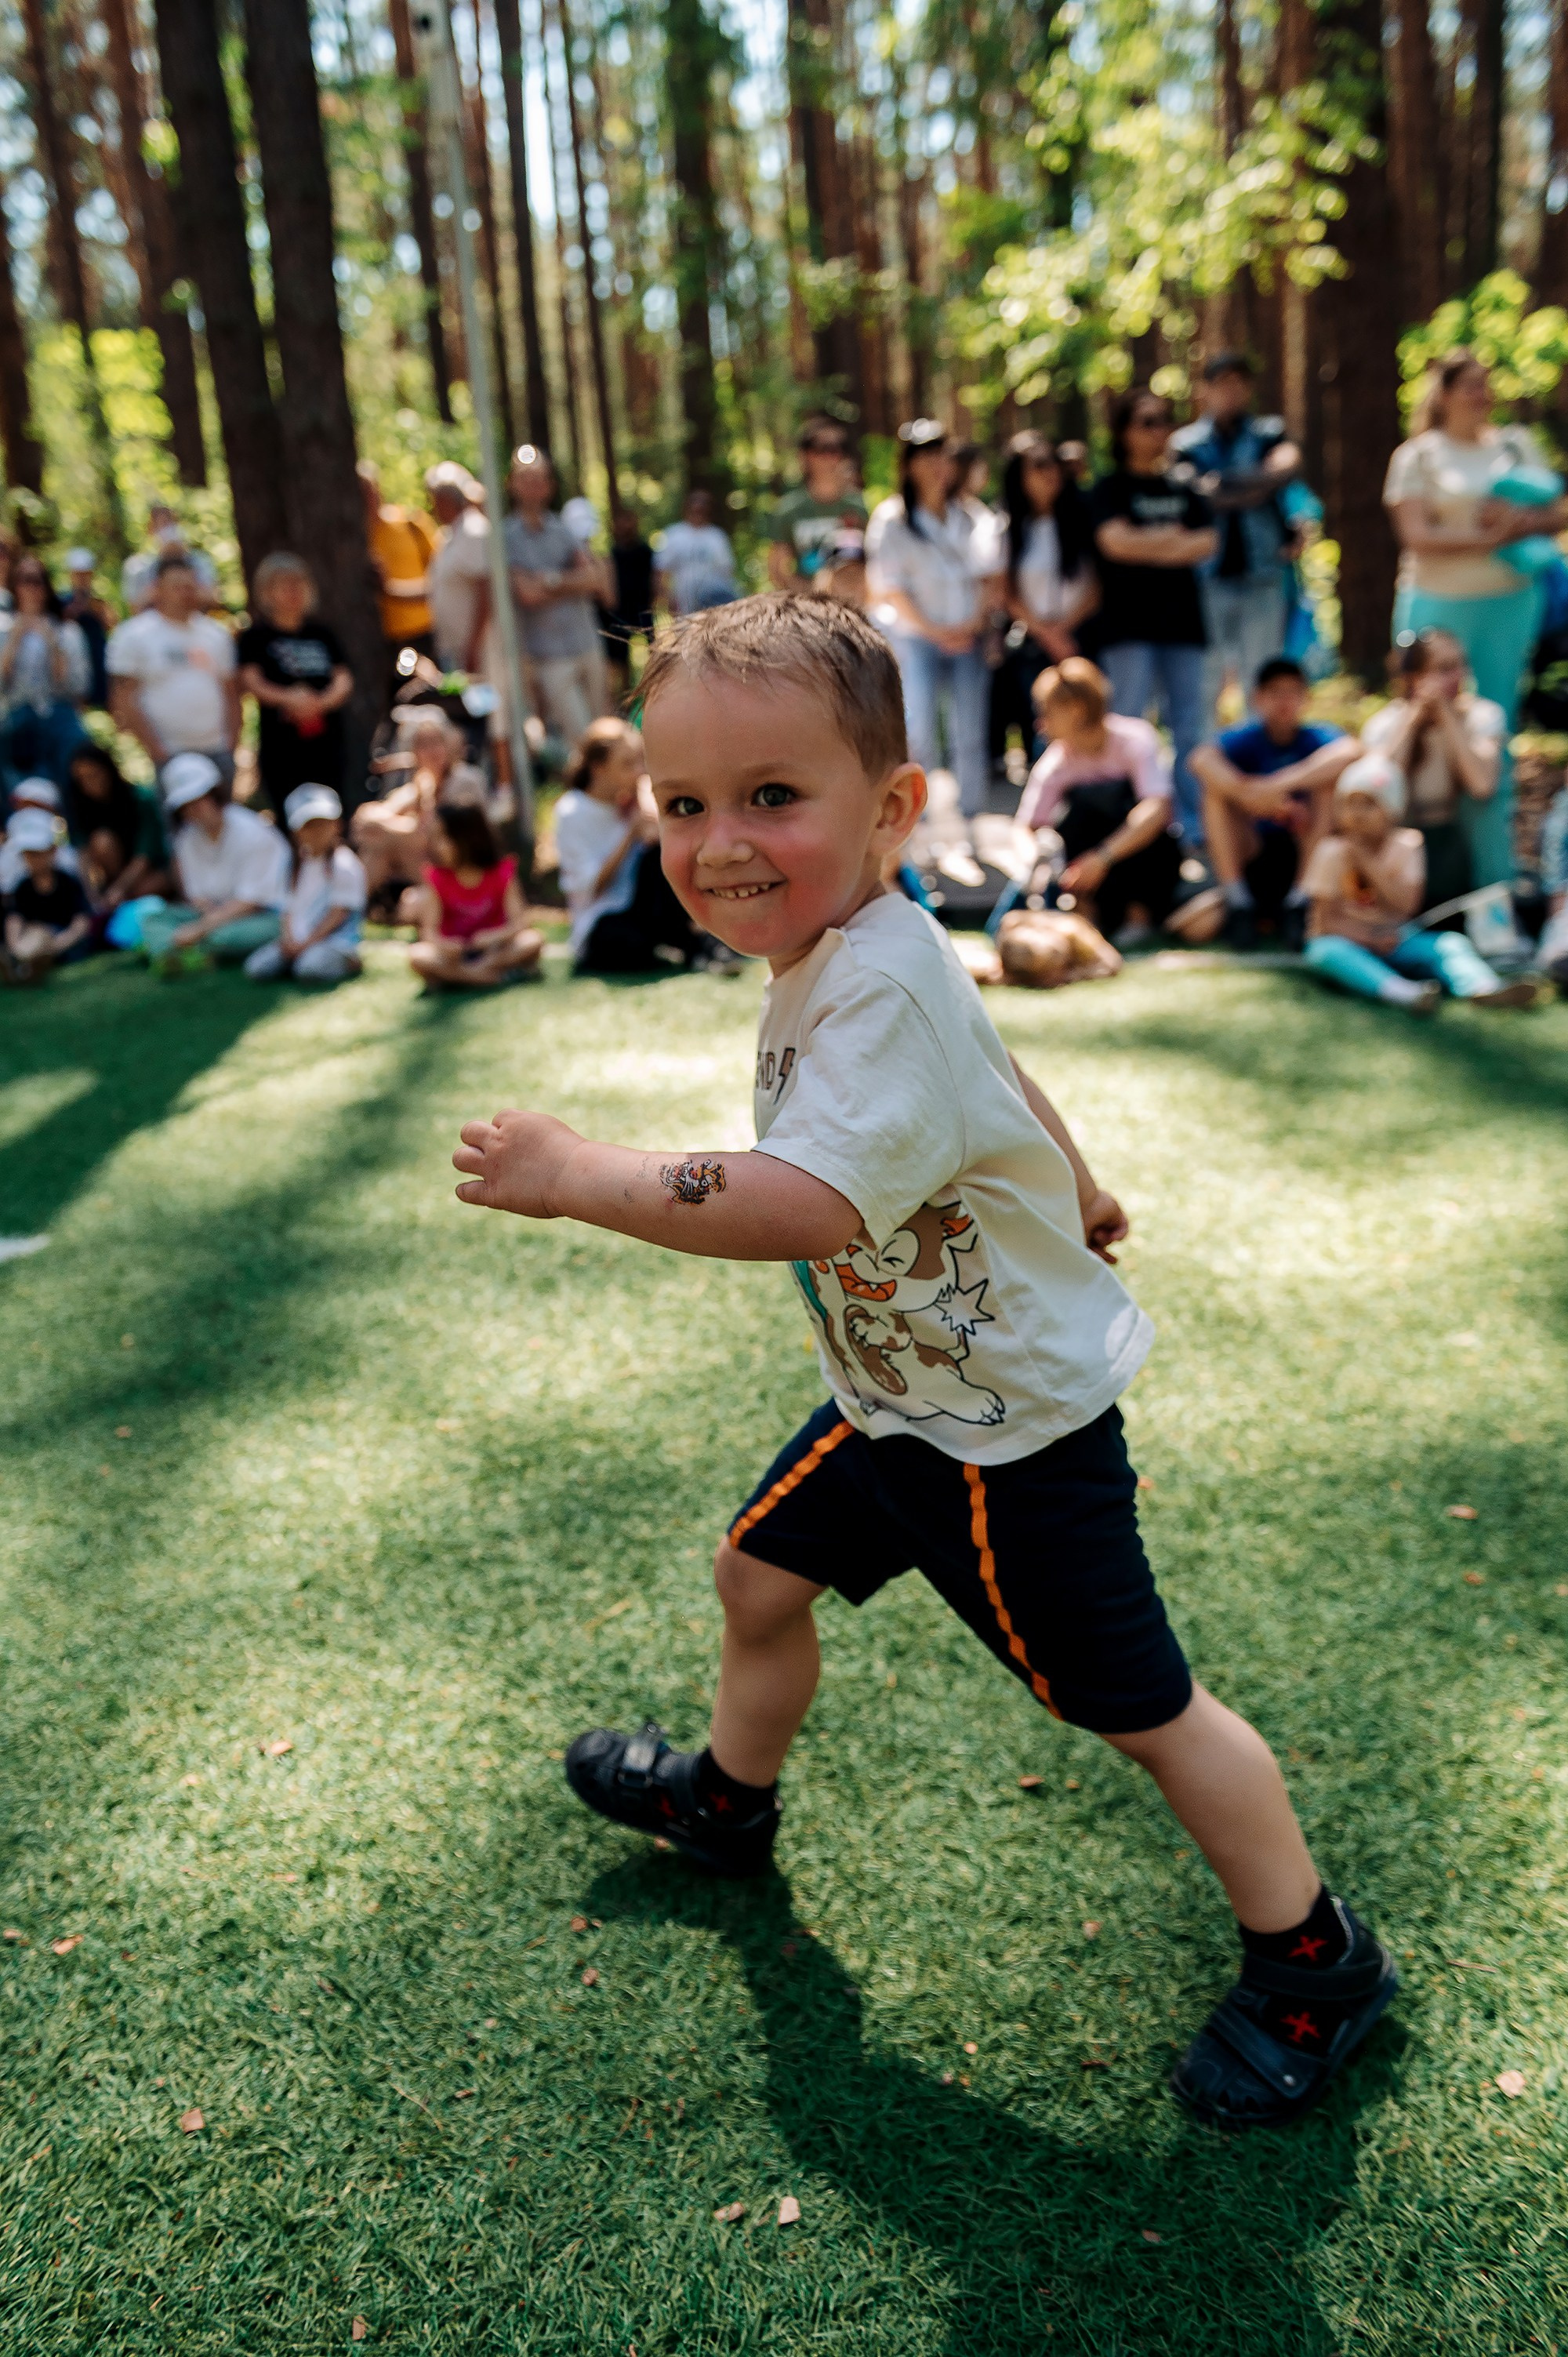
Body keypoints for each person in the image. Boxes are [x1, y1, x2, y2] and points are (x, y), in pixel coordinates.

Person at [451, 591, 1399, 2135]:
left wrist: (582, 1176)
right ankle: (726, 1803)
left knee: (1146, 1713)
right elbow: (995, 1069)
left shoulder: (874, 977)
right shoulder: (863, 943)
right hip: (902, 1400)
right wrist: (1075, 1185)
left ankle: (1316, 1961)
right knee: (759, 1580)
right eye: (683, 804)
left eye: (772, 796)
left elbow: (805, 1205)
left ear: (891, 807)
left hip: (1004, 1443)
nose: (720, 841)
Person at [1385, 349, 1568, 887]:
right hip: (1437, 607)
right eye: (1469, 384)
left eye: (1486, 383)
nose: (1481, 394)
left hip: (1509, 605)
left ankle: (1494, 881)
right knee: (1424, 730)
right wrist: (1490, 537)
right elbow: (1416, 536)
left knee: (1491, 737)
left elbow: (1557, 512)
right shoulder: (1418, 456)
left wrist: (1524, 522)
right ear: (1443, 392)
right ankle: (1411, 880)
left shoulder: (1516, 444)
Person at [1301, 753, 1539, 1012]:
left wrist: (1368, 864)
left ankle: (1482, 986)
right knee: (1323, 951)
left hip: (1397, 939)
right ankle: (1402, 992)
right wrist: (1368, 939)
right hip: (1349, 942)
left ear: (1392, 810)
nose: (1357, 814)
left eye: (1369, 805)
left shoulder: (1408, 844)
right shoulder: (1330, 851)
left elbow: (1406, 905)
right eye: (1350, 804)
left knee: (1450, 943)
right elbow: (1322, 923)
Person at [1088, 389, 1217, 842]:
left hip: (1183, 626)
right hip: (1128, 628)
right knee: (1128, 724)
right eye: (1147, 422)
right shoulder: (1109, 488)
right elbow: (1112, 544)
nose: (1160, 430)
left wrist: (1144, 543)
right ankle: (1128, 823)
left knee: (1191, 727)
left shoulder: (1187, 483)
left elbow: (1206, 544)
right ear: (1123, 432)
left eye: (1165, 420)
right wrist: (1172, 542)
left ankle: (1194, 826)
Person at [866, 419, 1002, 837]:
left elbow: (991, 578)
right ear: (907, 465)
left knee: (970, 731)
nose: (936, 464)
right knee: (918, 729)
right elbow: (889, 589)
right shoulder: (891, 519)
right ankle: (917, 825)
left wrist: (974, 626)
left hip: (969, 638)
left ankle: (973, 822)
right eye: (924, 455)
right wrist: (937, 632)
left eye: (941, 453)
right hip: (914, 639)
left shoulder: (972, 516)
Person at [1187, 656, 1359, 950]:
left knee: (1326, 788)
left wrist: (1278, 785)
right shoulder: (1246, 738)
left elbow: (1352, 751)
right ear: (1258, 698)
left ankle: (1300, 902)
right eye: (1275, 692)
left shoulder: (1316, 737)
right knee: (1216, 795)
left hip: (1303, 850)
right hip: (1254, 850)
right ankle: (1238, 901)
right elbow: (1200, 759)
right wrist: (1248, 795)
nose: (1285, 701)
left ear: (1305, 697)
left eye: (1293, 692)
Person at [1170, 353, 1300, 735]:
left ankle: (1259, 761)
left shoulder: (1269, 433)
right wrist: (1254, 485)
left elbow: (1283, 470)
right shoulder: (1186, 442)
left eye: (1238, 382)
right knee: (1206, 678)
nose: (1231, 391)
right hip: (1206, 577)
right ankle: (1211, 775)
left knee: (1261, 678)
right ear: (1205, 390)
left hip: (1262, 573)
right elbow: (1192, 492)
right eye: (1222, 383)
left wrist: (1221, 486)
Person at [1017, 658, 1186, 945]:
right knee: (1075, 819)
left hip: (1138, 863)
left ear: (1077, 710)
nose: (1040, 722)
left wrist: (1103, 858)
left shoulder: (1136, 738)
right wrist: (1037, 860)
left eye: (1047, 712)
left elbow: (1157, 809)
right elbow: (1026, 826)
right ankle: (1087, 915)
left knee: (1140, 823)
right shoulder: (1056, 761)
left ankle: (1139, 916)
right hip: (1086, 876)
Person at [554, 714, 719, 975]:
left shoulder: (631, 801)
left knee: (659, 855)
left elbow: (659, 834)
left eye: (640, 762)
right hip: (601, 919)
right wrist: (630, 834)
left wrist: (643, 791)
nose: (639, 771)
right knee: (627, 941)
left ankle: (696, 940)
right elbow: (591, 888)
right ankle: (692, 943)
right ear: (599, 768)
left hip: (637, 907)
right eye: (628, 764)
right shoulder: (572, 811)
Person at [1359, 629, 1504, 911]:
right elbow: (1377, 791)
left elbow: (1482, 785)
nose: (1457, 677)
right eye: (1444, 669)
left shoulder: (1482, 715)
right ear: (1414, 676)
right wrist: (1414, 720)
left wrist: (1447, 717)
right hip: (1399, 845)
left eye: (1459, 665)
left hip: (1452, 845)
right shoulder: (1386, 724)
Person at [137, 751, 289, 973]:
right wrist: (206, 918)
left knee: (222, 937)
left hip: (263, 916)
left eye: (198, 801)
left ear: (215, 795)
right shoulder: (187, 839)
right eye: (186, 806)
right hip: (215, 914)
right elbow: (196, 895)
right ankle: (183, 952)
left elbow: (251, 903)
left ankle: (171, 951)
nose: (194, 811)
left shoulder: (253, 832)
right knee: (153, 919)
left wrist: (201, 928)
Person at [996, 431, 1097, 754]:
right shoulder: (1006, 528)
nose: (1051, 472)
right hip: (1034, 642)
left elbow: (1097, 583)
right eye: (1039, 465)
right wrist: (1049, 634)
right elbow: (1006, 592)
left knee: (1089, 721)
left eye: (1054, 462)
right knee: (1046, 731)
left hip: (1083, 636)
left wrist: (1065, 629)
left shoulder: (1082, 516)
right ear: (1019, 477)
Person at [504, 445, 612, 746]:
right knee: (581, 739)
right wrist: (569, 581)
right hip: (549, 654)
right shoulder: (506, 537)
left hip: (586, 641)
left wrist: (549, 581)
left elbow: (595, 579)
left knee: (605, 732)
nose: (533, 486)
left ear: (550, 486)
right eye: (525, 478)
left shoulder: (563, 529)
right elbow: (527, 594)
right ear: (512, 483)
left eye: (540, 478)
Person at [107, 554, 239, 793]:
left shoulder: (216, 634)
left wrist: (232, 745)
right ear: (156, 589)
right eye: (177, 587)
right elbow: (124, 698)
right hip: (170, 753)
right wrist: (156, 750)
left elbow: (231, 692)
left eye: (190, 586)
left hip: (217, 749)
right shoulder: (134, 635)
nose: (185, 593)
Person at [237, 553, 354, 817]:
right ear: (267, 591)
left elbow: (344, 680)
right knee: (289, 814)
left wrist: (319, 703)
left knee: (335, 810)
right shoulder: (256, 637)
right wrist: (289, 699)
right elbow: (251, 682)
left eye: (299, 583)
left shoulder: (322, 633)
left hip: (327, 744)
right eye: (285, 585)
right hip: (283, 747)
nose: (294, 591)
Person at [351, 707, 488, 914]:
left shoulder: (466, 781)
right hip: (429, 867)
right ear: (414, 751)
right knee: (377, 849)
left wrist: (388, 828)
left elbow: (440, 832)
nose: (432, 751)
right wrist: (389, 826)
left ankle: (347, 907)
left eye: (437, 742)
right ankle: (349, 908)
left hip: (463, 870)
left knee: (385, 839)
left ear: (449, 744)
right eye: (423, 744)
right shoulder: (423, 783)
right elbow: (365, 816)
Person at [408, 797, 542, 990]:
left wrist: (494, 937)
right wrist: (447, 945)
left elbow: (520, 923)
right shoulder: (437, 878)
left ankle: (459, 978)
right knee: (418, 955)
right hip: (456, 954)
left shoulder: (501, 872)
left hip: (495, 951)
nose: (437, 845)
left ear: (467, 838)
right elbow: (429, 932)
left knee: (532, 941)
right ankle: (484, 976)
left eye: (443, 838)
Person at [245, 783, 365, 984]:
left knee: (309, 969)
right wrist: (290, 940)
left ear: (337, 824)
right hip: (299, 941)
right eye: (308, 826)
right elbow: (286, 909)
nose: (316, 831)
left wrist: (306, 944)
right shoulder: (291, 865)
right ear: (296, 831)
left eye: (322, 823)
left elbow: (338, 914)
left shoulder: (345, 864)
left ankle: (348, 962)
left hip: (334, 942)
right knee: (257, 968)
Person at [0, 555, 90, 792]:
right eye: (25, 580)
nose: (32, 588)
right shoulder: (2, 628)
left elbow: (75, 687)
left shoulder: (67, 631)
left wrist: (51, 643)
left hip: (60, 718)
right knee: (23, 795)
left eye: (38, 580)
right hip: (16, 720)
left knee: (76, 785)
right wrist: (16, 637)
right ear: (13, 584)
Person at [65, 743, 171, 913]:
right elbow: (83, 855)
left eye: (94, 774)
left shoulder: (140, 799)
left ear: (108, 770)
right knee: (102, 840)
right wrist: (91, 896)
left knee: (146, 888)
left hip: (153, 871)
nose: (90, 783)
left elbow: (145, 856)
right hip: (115, 878)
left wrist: (119, 890)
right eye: (82, 779)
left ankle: (118, 903)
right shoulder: (81, 808)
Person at [358, 461, 438, 688]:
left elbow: (439, 578)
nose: (368, 499)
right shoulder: (354, 538)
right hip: (380, 640)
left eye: (370, 491)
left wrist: (392, 588)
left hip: (422, 631)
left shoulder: (410, 523)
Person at [766, 418, 869, 590]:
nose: (832, 456)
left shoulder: (856, 506)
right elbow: (778, 570)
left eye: (839, 448)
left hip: (849, 604)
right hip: (805, 603)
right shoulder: (789, 510)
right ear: (804, 455)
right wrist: (811, 594)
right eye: (824, 449)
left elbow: (864, 562)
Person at [2, 807, 93, 982]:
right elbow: (14, 919)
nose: (32, 859)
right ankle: (21, 962)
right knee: (35, 936)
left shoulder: (68, 882)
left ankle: (24, 965)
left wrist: (58, 944)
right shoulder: (23, 887)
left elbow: (81, 922)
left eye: (37, 853)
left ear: (52, 850)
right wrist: (14, 945)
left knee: (44, 939)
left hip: (65, 942)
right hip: (33, 937)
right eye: (27, 854)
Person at [425, 463, 493, 680]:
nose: (431, 507)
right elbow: (436, 587)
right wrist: (389, 590)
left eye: (433, 500)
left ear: (445, 500)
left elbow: (487, 591)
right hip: (455, 650)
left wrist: (474, 646)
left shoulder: (475, 531)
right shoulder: (447, 536)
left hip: (479, 652)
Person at [121, 503, 219, 615]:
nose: (167, 529)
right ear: (150, 529)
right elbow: (134, 608)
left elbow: (213, 599)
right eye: (161, 524)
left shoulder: (200, 560)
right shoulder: (137, 566)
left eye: (171, 523)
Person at [655, 488, 739, 617]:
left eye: (704, 507)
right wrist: (667, 599)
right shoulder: (674, 535)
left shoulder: (717, 536)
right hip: (684, 605)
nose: (699, 511)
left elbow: (728, 572)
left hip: (716, 605)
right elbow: (661, 572)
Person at [602, 505, 656, 692]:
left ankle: (654, 685)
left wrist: (656, 599)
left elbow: (655, 578)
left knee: (653, 649)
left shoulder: (645, 552)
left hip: (643, 607)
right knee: (620, 656)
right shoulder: (612, 553)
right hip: (620, 611)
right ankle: (625, 694)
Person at [0, 778, 83, 897]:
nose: (29, 811)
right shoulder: (12, 834)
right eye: (23, 805)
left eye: (36, 805)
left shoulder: (65, 853)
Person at [60, 549, 111, 707]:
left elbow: (111, 625)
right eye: (78, 574)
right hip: (73, 666)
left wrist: (95, 611)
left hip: (98, 666)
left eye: (86, 574)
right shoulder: (61, 602)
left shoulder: (99, 603)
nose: (82, 579)